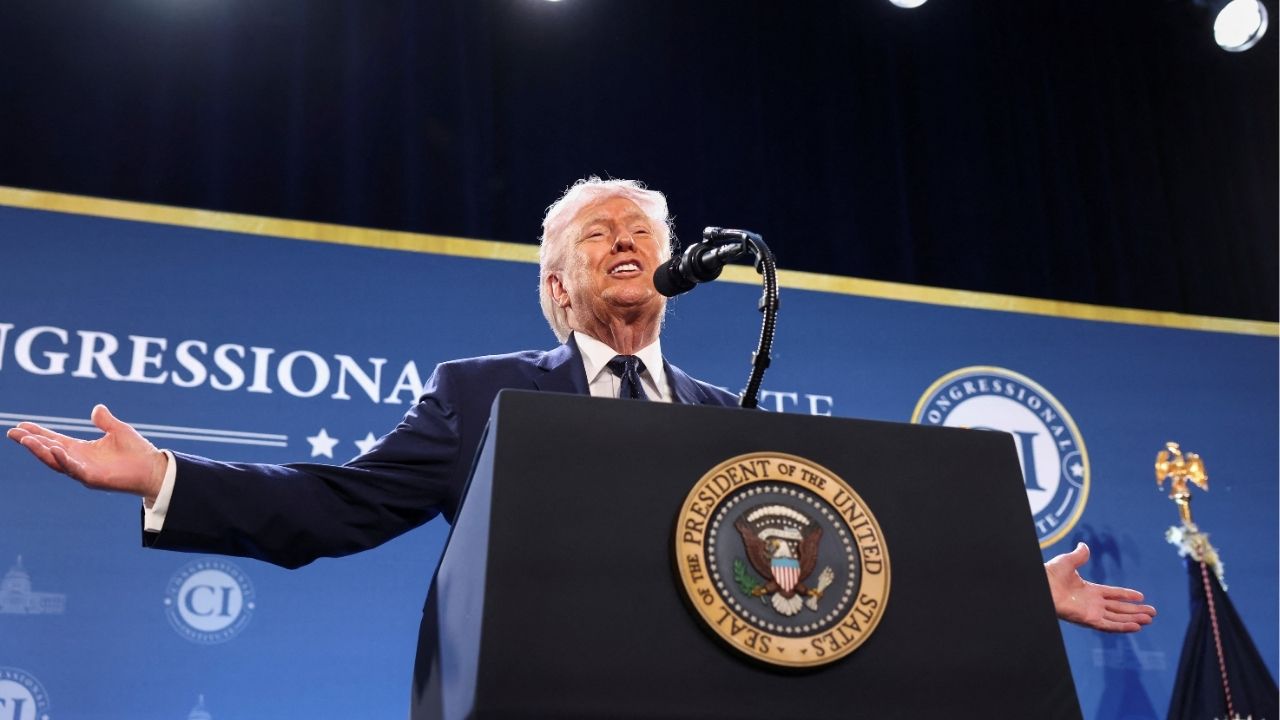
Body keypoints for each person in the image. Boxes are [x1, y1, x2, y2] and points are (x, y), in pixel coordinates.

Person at [6, 177, 1155, 626]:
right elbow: (331, 509)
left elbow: (837, 564)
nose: (624, 241)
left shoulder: (728, 419)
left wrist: (1018, 586)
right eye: (597, 233)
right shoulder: (479, 396)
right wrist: (166, 476)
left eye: (640, 231)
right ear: (555, 285)